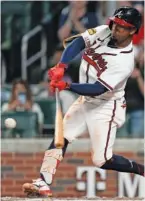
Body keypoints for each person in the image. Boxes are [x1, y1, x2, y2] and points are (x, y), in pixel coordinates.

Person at [23, 6, 144, 197]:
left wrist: (67, 86)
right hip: (85, 99)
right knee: (61, 137)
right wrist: (61, 66)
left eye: (122, 27)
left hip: (106, 105)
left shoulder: (125, 62)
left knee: (102, 160)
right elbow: (78, 42)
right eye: (115, 24)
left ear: (132, 30)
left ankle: (141, 169)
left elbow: (98, 89)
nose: (115, 29)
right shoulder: (105, 31)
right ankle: (42, 182)